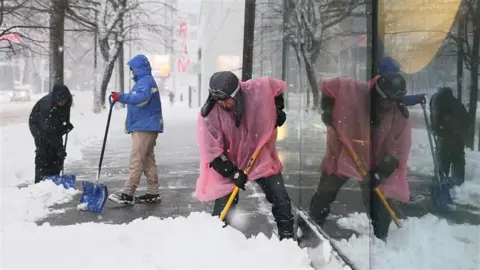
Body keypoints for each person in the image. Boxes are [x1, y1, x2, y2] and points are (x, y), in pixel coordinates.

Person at [309, 73, 412, 241]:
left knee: (378, 203)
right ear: (379, 95)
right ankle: (312, 226)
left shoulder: (400, 116)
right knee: (324, 194)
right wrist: (327, 108)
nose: (392, 104)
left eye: (396, 100)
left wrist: (378, 174)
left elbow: (397, 152)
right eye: (389, 100)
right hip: (345, 154)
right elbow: (328, 87)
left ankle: (381, 240)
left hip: (373, 164)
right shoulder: (355, 92)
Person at [195, 71, 293, 240]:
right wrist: (232, 172)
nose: (223, 104)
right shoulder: (209, 116)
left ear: (237, 93)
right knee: (223, 208)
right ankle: (217, 241)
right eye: (219, 100)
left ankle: (288, 238)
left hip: (258, 154)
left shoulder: (255, 90)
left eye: (226, 99)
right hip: (228, 161)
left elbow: (276, 88)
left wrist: (277, 109)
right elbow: (212, 152)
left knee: (279, 196)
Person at [108, 54, 164, 205]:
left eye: (132, 69)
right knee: (147, 160)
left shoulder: (145, 82)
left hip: (145, 126)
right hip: (147, 125)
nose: (132, 72)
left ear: (138, 68)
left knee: (137, 159)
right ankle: (153, 192)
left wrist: (120, 97)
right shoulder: (145, 81)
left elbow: (140, 99)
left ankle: (128, 193)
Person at [29, 84, 74, 184]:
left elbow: (63, 116)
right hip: (38, 126)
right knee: (44, 153)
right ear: (55, 99)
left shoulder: (68, 100)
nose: (62, 103)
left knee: (57, 157)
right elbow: (49, 133)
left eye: (64, 101)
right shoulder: (47, 107)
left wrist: (65, 125)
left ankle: (55, 179)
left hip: (52, 126)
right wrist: (59, 149)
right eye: (59, 101)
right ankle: (40, 182)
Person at [429, 87, 469, 186]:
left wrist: (437, 129)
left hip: (449, 140)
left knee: (444, 161)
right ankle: (453, 183)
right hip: (454, 140)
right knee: (454, 161)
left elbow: (437, 121)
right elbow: (464, 124)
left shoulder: (440, 104)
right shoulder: (455, 104)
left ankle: (444, 181)